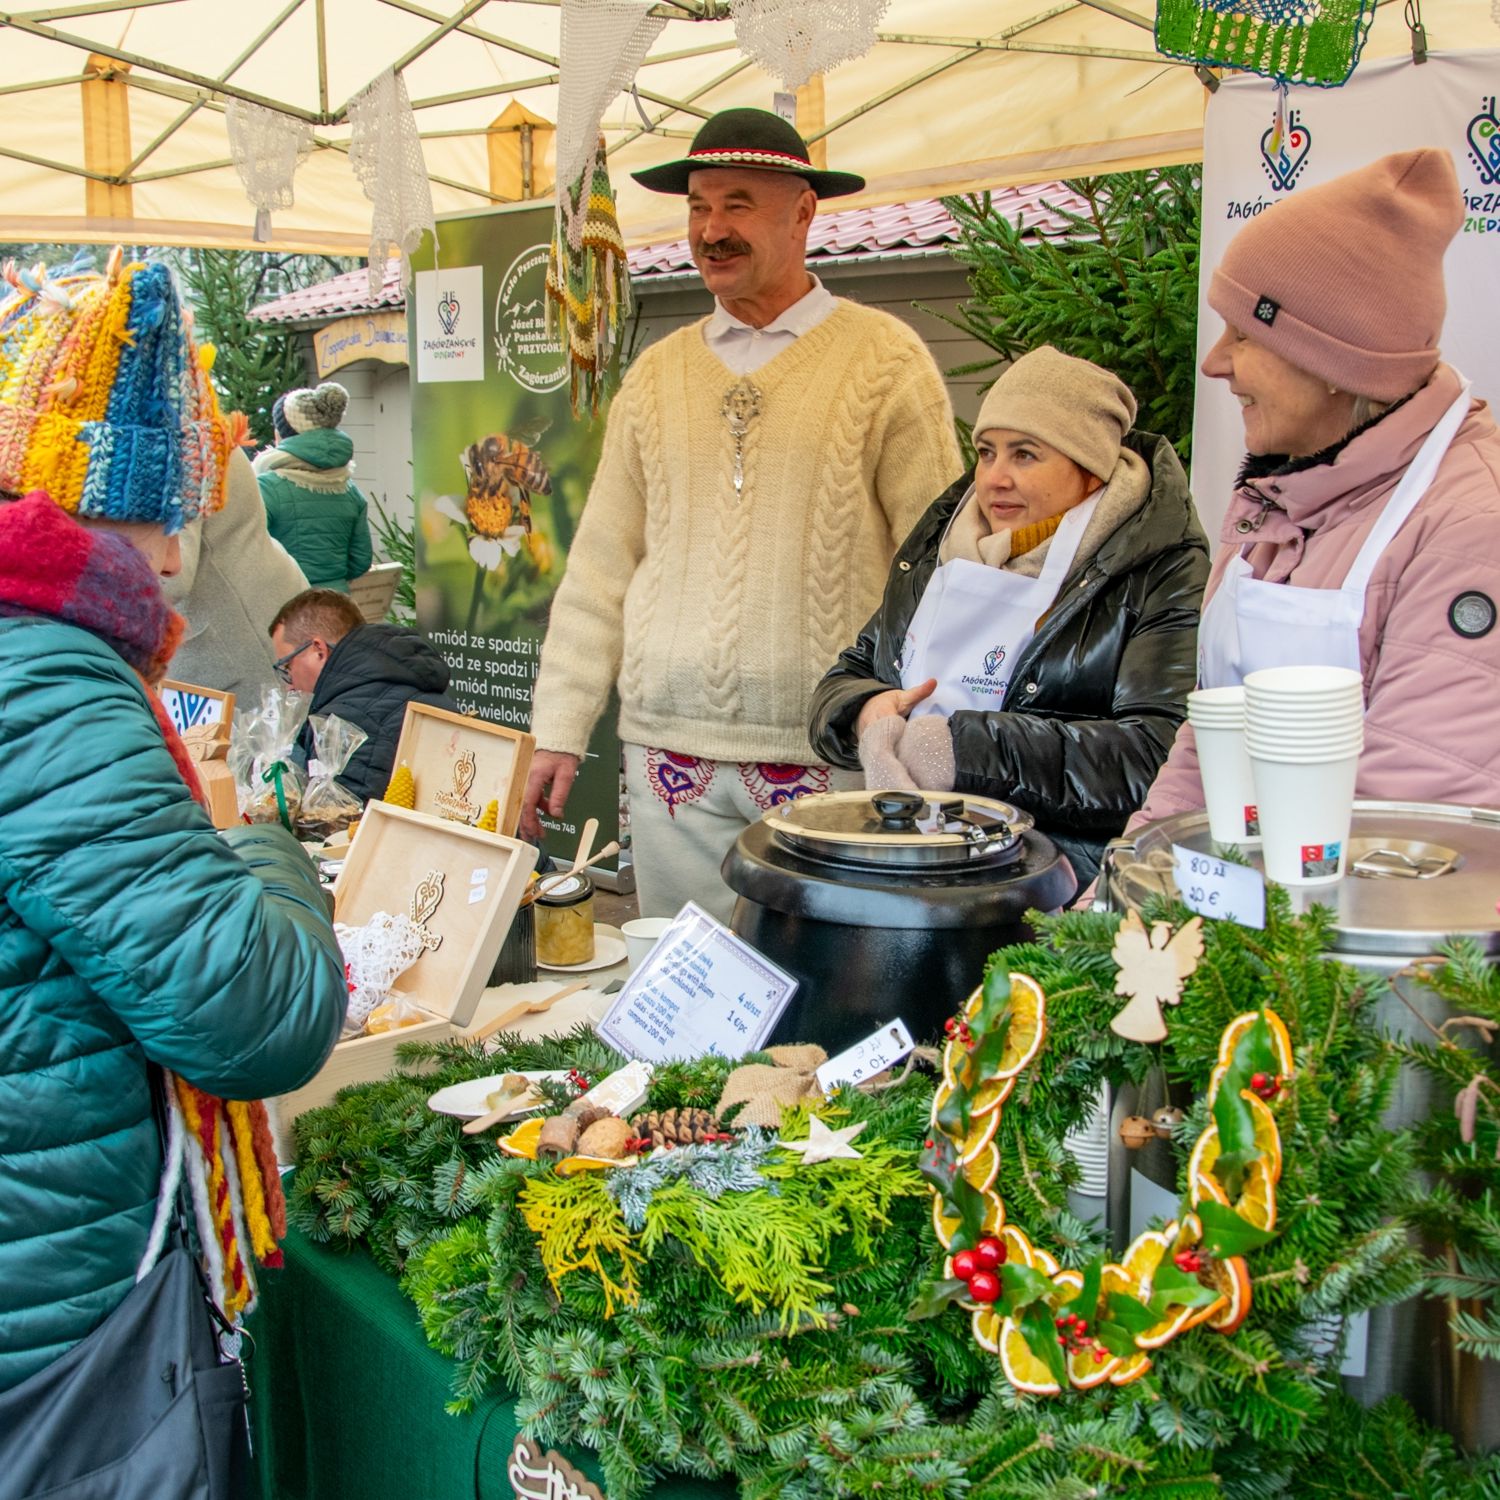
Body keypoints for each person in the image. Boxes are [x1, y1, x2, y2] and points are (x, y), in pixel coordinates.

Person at [0, 254, 347, 1396]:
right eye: (176, 514)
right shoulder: (44, 676)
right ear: (115, 510)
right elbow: (255, 1013)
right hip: (61, 1324)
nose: (177, 558)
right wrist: (262, 849)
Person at [523, 107, 963, 921]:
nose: (711, 229)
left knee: (817, 1000)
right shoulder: (655, 377)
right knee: (678, 986)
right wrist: (559, 726)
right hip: (666, 756)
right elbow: (600, 567)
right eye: (697, 205)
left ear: (802, 211)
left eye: (736, 204)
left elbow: (942, 568)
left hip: (827, 752)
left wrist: (926, 731)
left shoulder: (886, 362)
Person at [1136, 148, 1500, 828]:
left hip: (1352, 923)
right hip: (1251, 913)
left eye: (1241, 334)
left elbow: (1412, 832)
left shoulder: (1473, 525)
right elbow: (1208, 749)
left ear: (1334, 360)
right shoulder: (1275, 499)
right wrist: (1114, 904)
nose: (1215, 363)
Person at [809, 346, 1209, 896]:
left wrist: (962, 749)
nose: (994, 478)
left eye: (1025, 455)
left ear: (1090, 469)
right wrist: (864, 713)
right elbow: (849, 673)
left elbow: (1156, 755)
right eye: (986, 451)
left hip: (1058, 885)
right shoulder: (941, 549)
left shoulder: (1158, 566)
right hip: (917, 869)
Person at [270, 587, 456, 802]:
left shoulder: (341, 723)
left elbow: (340, 827)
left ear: (318, 650)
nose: (289, 685)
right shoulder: (410, 677)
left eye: (287, 666)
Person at [162, 446, 309, 698]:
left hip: (238, 637)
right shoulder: (195, 426)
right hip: (258, 611)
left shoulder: (181, 441)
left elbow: (170, 575)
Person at [255, 380, 373, 591]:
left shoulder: (266, 487)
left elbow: (251, 557)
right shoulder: (349, 489)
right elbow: (360, 561)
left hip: (286, 606)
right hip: (337, 607)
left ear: (281, 434)